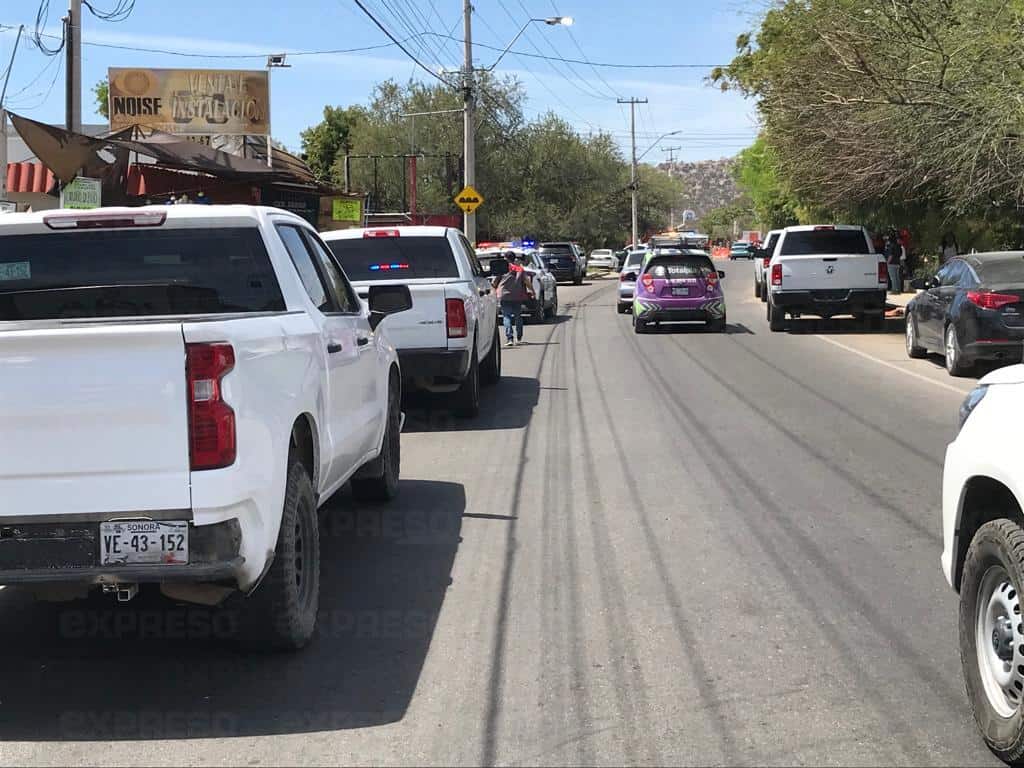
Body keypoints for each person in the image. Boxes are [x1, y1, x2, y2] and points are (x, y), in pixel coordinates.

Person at [495, 252, 533, 347]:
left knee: (506, 316)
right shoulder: (520, 269)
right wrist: (532, 291)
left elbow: (495, 281)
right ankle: (519, 337)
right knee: (518, 316)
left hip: (504, 296)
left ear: (505, 258)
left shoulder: (502, 268)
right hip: (517, 296)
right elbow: (526, 281)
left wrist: (493, 289)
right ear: (514, 259)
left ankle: (509, 338)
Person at [885, 230, 902, 294]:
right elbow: (900, 254)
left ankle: (894, 289)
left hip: (891, 263)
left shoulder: (891, 246)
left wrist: (887, 262)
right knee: (897, 277)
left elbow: (891, 255)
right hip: (897, 263)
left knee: (893, 277)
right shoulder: (899, 246)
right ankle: (898, 289)